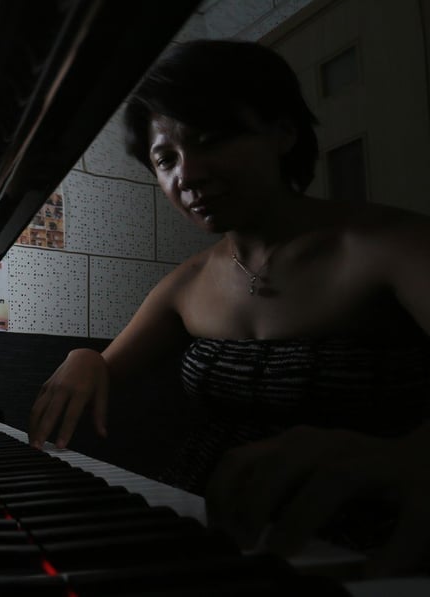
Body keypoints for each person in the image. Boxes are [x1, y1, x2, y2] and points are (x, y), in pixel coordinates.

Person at [27, 39, 430, 574]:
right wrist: (85, 356)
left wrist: (402, 457)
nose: (186, 176)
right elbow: (106, 367)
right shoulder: (187, 282)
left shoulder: (393, 245)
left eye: (212, 141)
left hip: (367, 546)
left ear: (283, 132)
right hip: (204, 528)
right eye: (165, 159)